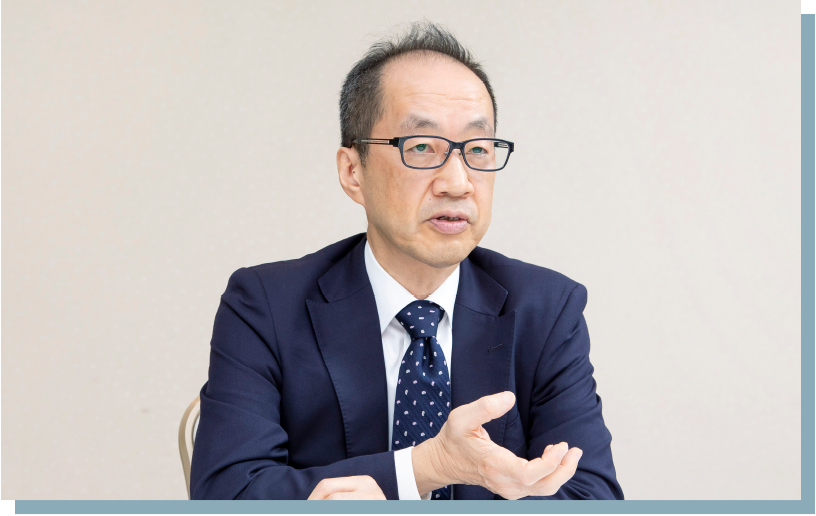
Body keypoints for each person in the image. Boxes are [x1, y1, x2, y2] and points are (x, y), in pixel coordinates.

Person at [190, 21, 624, 501]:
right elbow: (227, 493)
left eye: (478, 150)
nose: (458, 183)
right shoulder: (266, 305)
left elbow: (591, 495)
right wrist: (424, 468)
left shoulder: (546, 308)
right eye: (421, 147)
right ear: (353, 171)